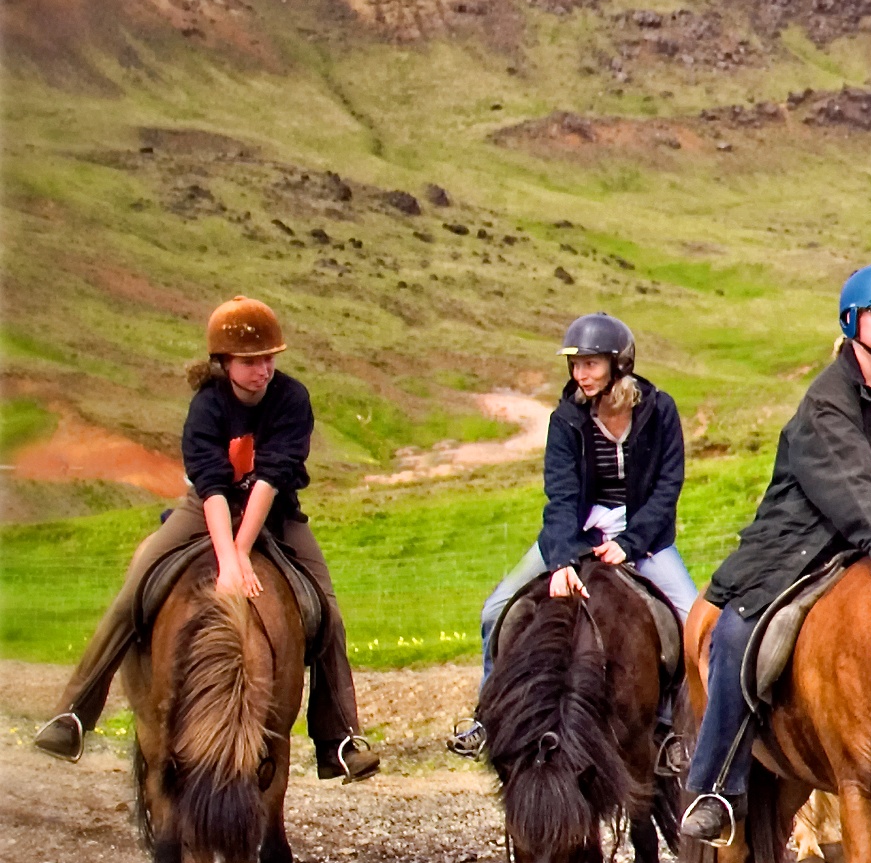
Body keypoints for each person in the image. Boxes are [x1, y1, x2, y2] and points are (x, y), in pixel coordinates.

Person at [677, 262, 871, 843]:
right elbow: (849, 479)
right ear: (853, 321)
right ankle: (717, 785)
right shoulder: (827, 398)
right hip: (808, 539)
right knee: (739, 634)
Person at [32, 296, 375, 780]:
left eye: (269, 358)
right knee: (135, 590)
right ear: (224, 363)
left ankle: (337, 738)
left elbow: (271, 478)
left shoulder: (292, 398)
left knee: (327, 612)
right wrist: (227, 556)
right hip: (204, 511)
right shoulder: (207, 406)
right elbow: (211, 486)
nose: (263, 370)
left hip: (275, 513)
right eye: (251, 361)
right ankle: (73, 714)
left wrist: (240, 551)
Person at [449, 313, 694, 757]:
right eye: (575, 365)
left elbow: (667, 487)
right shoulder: (566, 419)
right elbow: (559, 495)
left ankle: (674, 728)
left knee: (694, 620)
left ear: (619, 364)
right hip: (576, 531)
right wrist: (562, 559)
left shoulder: (659, 411)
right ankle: (486, 715)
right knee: (495, 609)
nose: (580, 374)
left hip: (643, 534)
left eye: (591, 364)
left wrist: (630, 544)